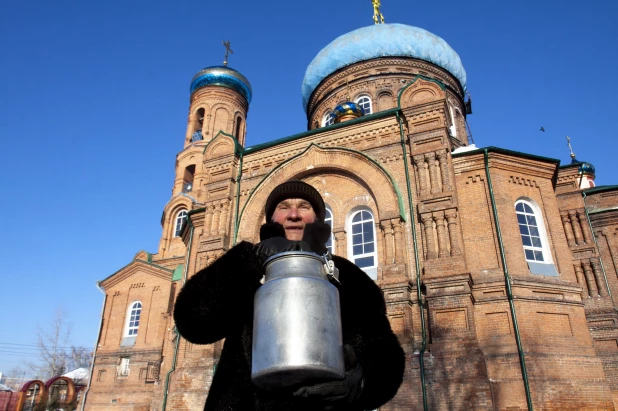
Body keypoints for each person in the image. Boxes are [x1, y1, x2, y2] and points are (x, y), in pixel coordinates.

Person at [174, 180, 405, 411]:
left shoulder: (347, 275)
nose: (293, 214)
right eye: (283, 207)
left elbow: (384, 353)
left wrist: (362, 382)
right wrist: (249, 261)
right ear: (271, 219)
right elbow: (192, 322)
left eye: (304, 207)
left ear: (317, 219)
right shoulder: (249, 266)